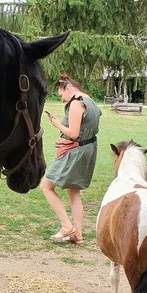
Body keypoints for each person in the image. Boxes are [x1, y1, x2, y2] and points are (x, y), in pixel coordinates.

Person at [40, 74, 102, 246]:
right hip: (87, 149)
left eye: (61, 95)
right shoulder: (91, 101)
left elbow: (74, 134)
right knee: (74, 192)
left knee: (46, 186)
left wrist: (56, 124)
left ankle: (67, 227)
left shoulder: (76, 103)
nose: (61, 99)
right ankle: (78, 235)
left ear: (67, 88)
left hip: (75, 151)